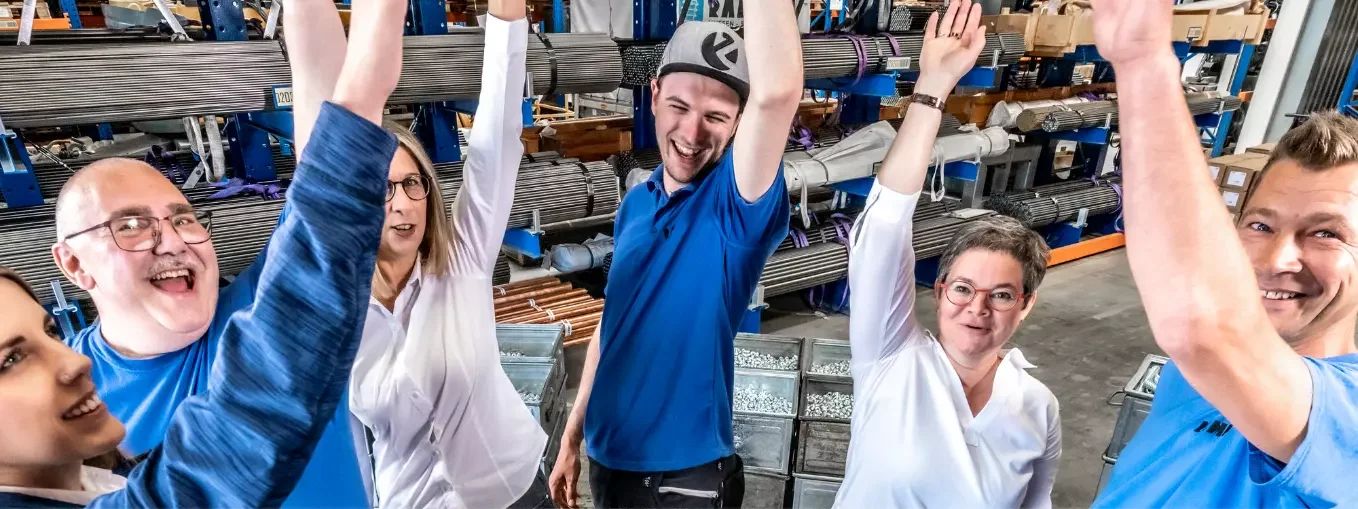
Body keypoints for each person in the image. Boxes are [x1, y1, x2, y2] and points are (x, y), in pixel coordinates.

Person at [0, 2, 406, 504]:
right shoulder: (65, 405)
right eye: (131, 225)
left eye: (184, 218)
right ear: (75, 264)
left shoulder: (259, 310)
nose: (171, 240)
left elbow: (322, 137)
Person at [1087, 1, 1358, 507]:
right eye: (1260, 224)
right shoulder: (1188, 374)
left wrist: (1143, 59)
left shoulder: (1348, 413)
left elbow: (1203, 327)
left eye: (1325, 234)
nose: (1277, 258)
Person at [286, 0, 553, 506]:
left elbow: (495, 138)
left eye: (413, 185)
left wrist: (507, 15)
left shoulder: (463, 262)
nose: (404, 204)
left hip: (512, 491)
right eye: (384, 190)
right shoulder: (336, 310)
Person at [548, 4, 801, 508]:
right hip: (609, 461)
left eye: (716, 117)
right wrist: (573, 432)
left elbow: (777, 96)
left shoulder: (736, 209)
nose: (691, 134)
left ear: (737, 126)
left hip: (681, 480)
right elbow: (613, 322)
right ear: (655, 94)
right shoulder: (637, 203)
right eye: (680, 107)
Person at [830, 2, 1061, 507]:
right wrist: (933, 87)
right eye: (963, 288)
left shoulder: (1037, 407)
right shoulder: (892, 358)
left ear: (1026, 304)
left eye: (1001, 295)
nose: (976, 309)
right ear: (939, 290)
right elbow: (886, 224)